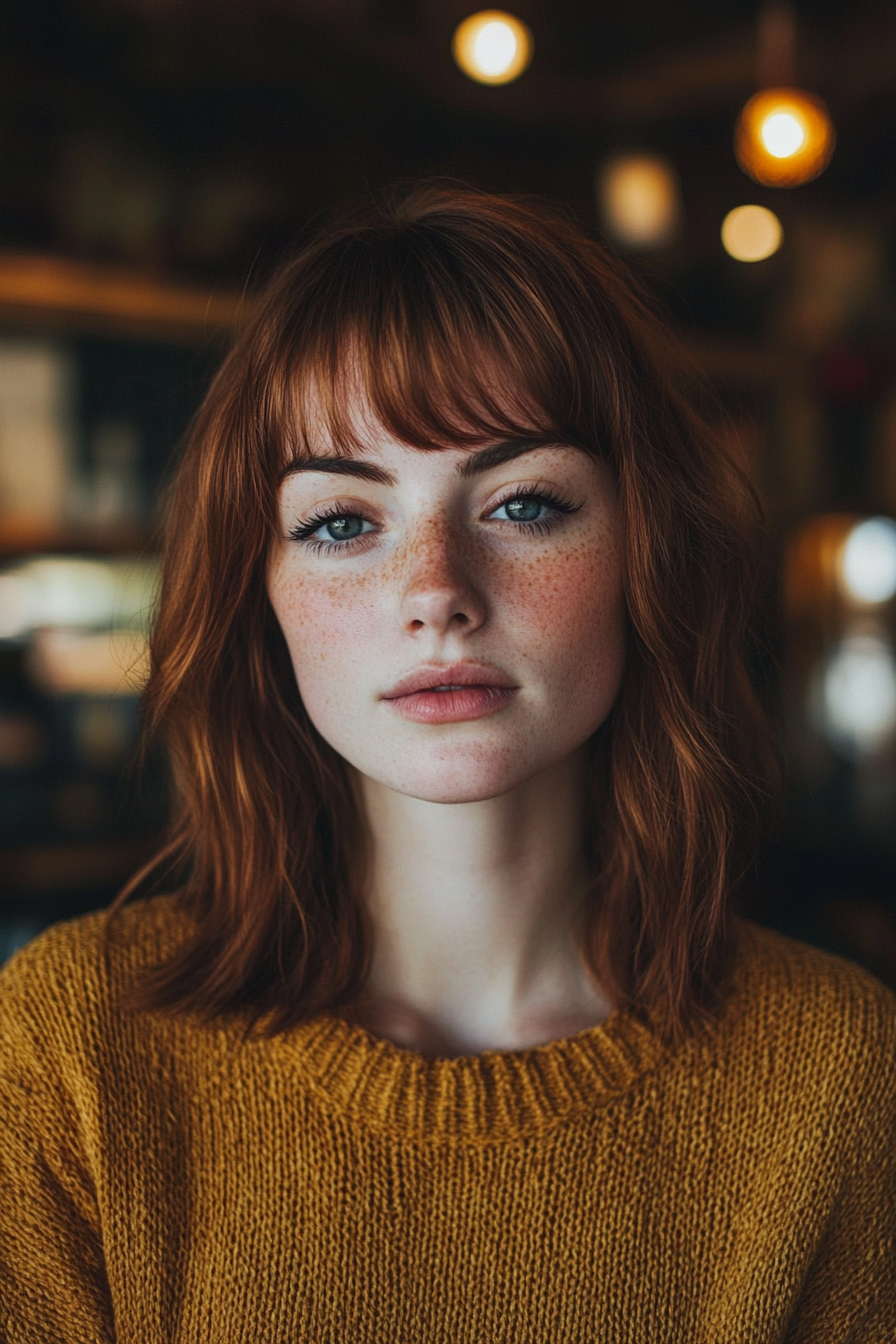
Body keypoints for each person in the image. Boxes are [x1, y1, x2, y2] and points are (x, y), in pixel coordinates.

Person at [1, 183, 893, 1343]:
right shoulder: (66, 1055)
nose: (434, 592)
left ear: (646, 551)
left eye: (521, 504)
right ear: (257, 591)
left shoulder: (835, 1078)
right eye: (340, 523)